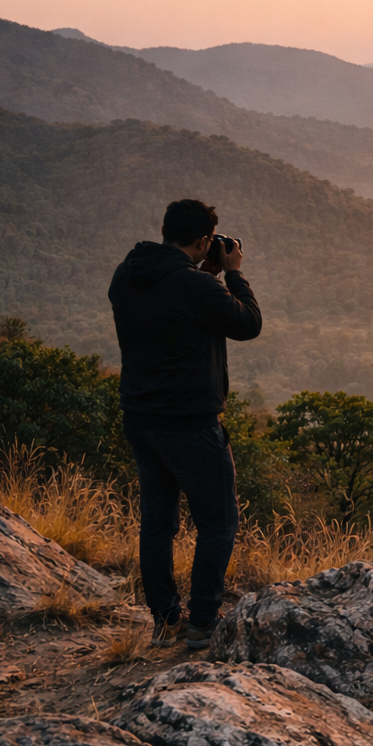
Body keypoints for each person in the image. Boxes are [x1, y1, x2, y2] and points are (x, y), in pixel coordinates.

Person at [108, 199, 262, 649]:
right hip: (190, 425)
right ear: (202, 241)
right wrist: (232, 271)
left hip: (140, 419)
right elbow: (248, 324)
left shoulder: (127, 274)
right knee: (218, 523)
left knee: (158, 524)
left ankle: (166, 619)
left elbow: (174, 305)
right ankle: (202, 623)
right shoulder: (196, 287)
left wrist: (206, 273)